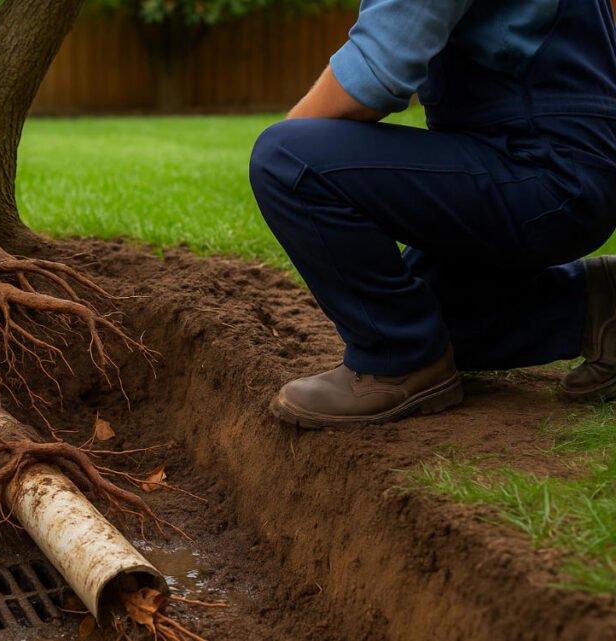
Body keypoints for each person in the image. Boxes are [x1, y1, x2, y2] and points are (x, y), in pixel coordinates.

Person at [249, 0, 616, 429]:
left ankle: (398, 361)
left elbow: (374, 73)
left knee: (286, 158)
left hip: (542, 171)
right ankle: (597, 303)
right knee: (432, 317)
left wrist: (289, 165)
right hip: (555, 163)